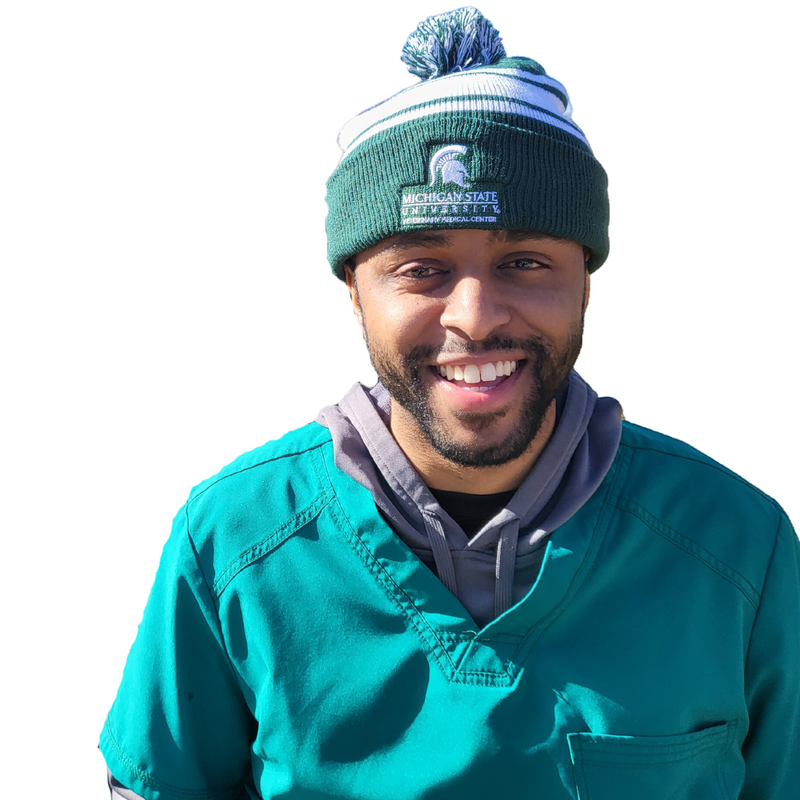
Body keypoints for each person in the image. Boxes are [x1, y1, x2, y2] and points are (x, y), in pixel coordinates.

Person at [100, 7, 800, 799]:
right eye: (421, 269)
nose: (475, 315)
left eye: (526, 261)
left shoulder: (737, 547)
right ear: (354, 292)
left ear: (586, 281)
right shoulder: (234, 542)